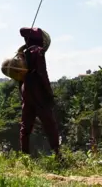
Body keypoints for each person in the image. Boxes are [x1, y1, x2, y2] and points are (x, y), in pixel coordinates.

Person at [18, 27, 61, 160]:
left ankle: (24, 156)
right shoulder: (38, 51)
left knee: (26, 126)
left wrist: (23, 94)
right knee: (50, 125)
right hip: (38, 92)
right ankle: (58, 155)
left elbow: (20, 78)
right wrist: (49, 93)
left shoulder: (22, 53)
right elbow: (43, 74)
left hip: (27, 92)